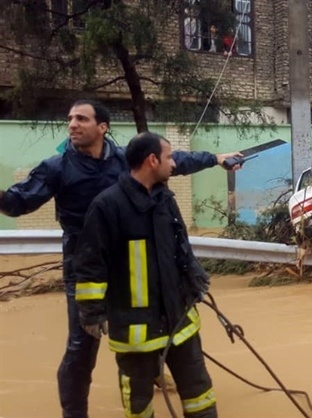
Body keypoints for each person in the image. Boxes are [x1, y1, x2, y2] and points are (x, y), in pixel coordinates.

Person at [0, 99, 241, 418]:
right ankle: (75, 412)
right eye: (70, 118)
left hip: (135, 266)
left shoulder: (123, 160)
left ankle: (150, 372)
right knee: (82, 347)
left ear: (102, 127)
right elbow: (18, 203)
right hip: (86, 266)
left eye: (81, 119)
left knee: (152, 324)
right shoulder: (57, 168)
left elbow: (173, 160)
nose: (72, 124)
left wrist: (215, 158)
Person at [73, 131, 216, 418]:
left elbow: (182, 248)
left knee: (200, 395)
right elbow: (90, 263)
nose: (173, 164)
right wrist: (91, 311)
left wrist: (194, 278)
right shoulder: (107, 206)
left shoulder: (165, 200)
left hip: (179, 323)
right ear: (152, 160)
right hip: (135, 331)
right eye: (169, 157)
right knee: (139, 404)